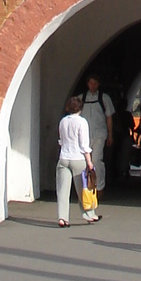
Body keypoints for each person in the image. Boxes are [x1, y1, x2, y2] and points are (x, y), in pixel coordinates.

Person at [56, 95, 98, 228]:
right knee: (83, 189)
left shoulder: (63, 121)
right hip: (78, 159)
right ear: (80, 108)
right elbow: (84, 145)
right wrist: (89, 162)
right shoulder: (82, 122)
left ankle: (63, 218)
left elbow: (61, 140)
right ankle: (89, 215)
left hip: (64, 157)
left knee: (62, 190)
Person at [80, 74, 114, 195]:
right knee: (84, 161)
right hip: (84, 135)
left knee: (96, 160)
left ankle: (99, 187)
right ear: (87, 84)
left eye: (95, 83)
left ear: (98, 84)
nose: (93, 86)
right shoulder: (82, 98)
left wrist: (110, 135)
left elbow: (109, 117)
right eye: (91, 83)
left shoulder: (104, 98)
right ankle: (86, 187)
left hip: (99, 133)